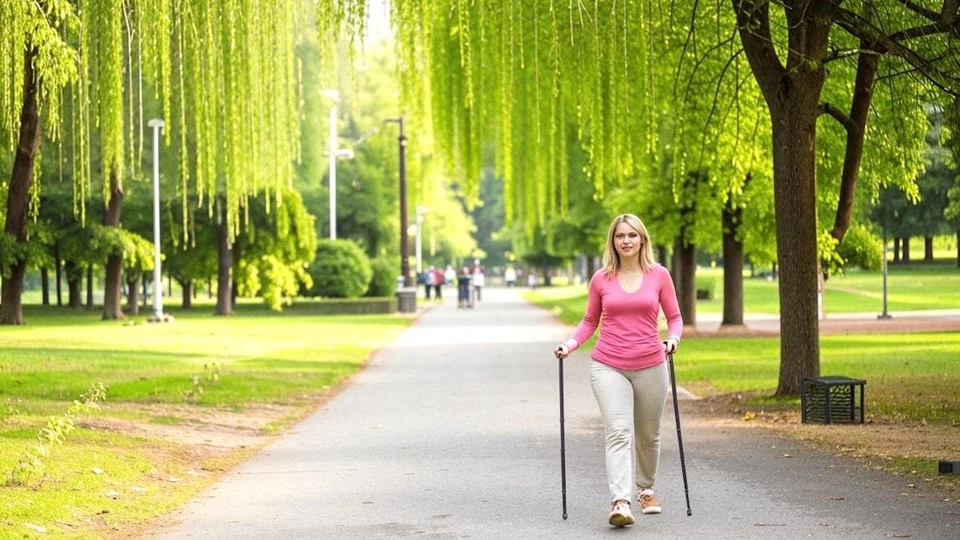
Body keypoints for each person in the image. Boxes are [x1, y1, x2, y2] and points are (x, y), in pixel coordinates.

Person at [554, 213, 682, 528]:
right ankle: (620, 501)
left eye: (632, 235)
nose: (626, 241)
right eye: (620, 236)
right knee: (618, 431)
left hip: (651, 363)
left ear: (642, 240)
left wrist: (673, 340)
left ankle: (646, 490)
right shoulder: (601, 278)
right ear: (612, 241)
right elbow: (589, 321)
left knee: (649, 435)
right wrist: (570, 345)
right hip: (608, 365)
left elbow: (675, 317)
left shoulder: (659, 275)